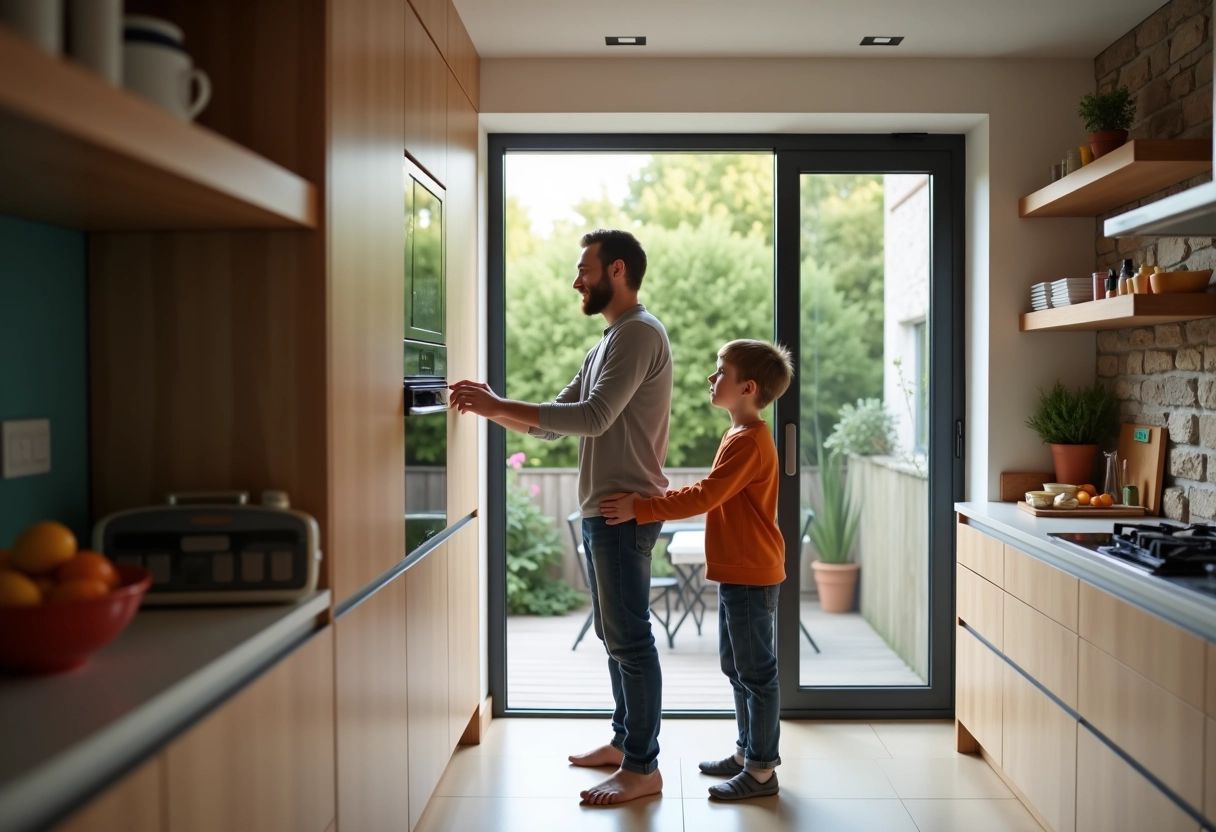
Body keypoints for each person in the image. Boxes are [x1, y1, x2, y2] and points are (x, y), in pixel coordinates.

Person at [449, 229, 673, 805]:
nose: (577, 281)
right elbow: (556, 419)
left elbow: (595, 417)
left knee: (630, 639)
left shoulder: (639, 335)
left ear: (616, 270)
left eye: (585, 270)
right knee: (613, 633)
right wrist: (490, 407)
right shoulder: (607, 342)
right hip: (605, 508)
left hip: (625, 511)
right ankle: (627, 744)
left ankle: (644, 768)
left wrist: (496, 404)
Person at [600, 339, 793, 800]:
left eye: (720, 372)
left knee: (756, 672)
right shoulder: (739, 436)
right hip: (740, 572)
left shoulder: (749, 442)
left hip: (751, 572)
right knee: (737, 666)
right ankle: (748, 752)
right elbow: (711, 493)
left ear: (747, 387)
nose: (712, 378)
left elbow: (706, 495)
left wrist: (642, 508)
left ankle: (762, 771)